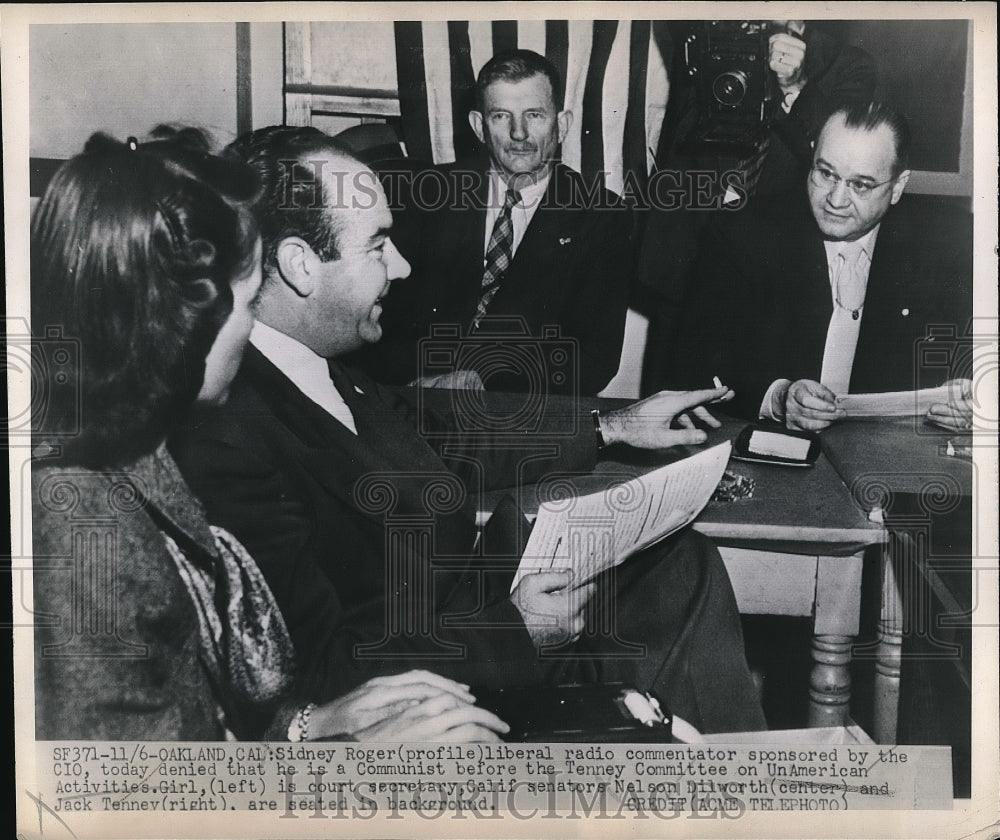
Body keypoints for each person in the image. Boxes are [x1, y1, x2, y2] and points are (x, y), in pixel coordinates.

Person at [170, 124, 766, 736]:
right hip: (441, 697)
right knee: (678, 600)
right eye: (377, 246)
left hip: (469, 616)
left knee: (679, 564)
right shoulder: (230, 438)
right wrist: (513, 630)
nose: (400, 267)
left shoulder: (316, 365)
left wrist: (613, 425)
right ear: (300, 266)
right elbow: (317, 679)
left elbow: (444, 426)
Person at [30, 128, 508, 743]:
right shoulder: (81, 525)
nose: (253, 330)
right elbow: (124, 801)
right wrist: (341, 760)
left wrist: (307, 727)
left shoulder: (136, 453)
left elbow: (209, 708)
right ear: (181, 316)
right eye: (251, 301)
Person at [661, 101, 973, 431]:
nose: (836, 200)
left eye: (861, 185)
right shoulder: (745, 233)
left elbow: (977, 364)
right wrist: (778, 398)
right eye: (826, 174)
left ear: (897, 186)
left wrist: (974, 407)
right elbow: (690, 359)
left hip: (891, 454)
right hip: (777, 447)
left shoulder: (949, 245)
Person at [350, 48, 633, 397]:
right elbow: (373, 318)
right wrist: (414, 388)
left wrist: (483, 383)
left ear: (562, 125)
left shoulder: (602, 216)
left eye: (534, 115)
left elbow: (594, 359)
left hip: (520, 411)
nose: (519, 133)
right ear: (478, 127)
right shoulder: (425, 195)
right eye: (501, 116)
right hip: (414, 397)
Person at [638, 20, 877, 394]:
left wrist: (795, 89)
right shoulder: (707, 32)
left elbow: (834, 160)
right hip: (688, 250)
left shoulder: (846, 66)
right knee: (665, 403)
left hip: (768, 271)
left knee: (757, 404)